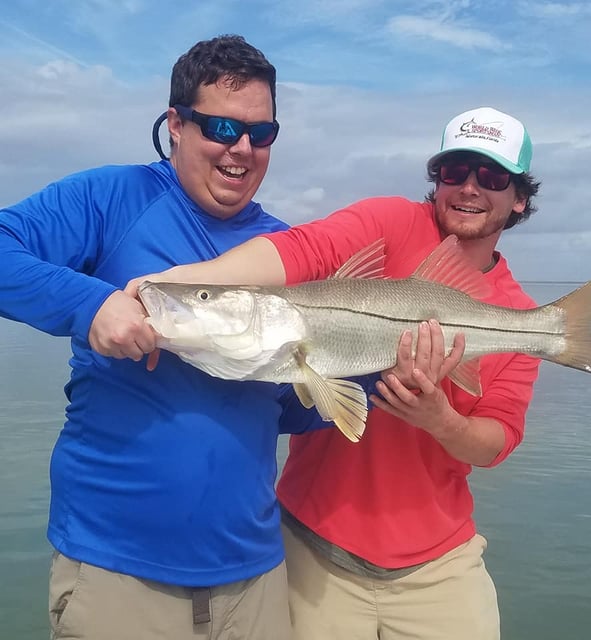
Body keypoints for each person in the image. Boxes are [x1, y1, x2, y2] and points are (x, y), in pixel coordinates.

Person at [128, 106, 542, 639]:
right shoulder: (389, 221)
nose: (468, 187)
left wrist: (441, 419)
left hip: (439, 566)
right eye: (454, 171)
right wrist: (172, 284)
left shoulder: (519, 319)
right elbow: (303, 249)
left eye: (492, 177)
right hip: (312, 548)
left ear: (520, 198)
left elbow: (496, 442)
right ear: (436, 180)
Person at [0, 34, 347, 640]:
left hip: (254, 578)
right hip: (117, 575)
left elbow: (288, 410)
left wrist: (371, 378)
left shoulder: (286, 249)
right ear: (176, 125)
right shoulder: (113, 198)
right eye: (219, 127)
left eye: (260, 134)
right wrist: (92, 303)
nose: (241, 149)